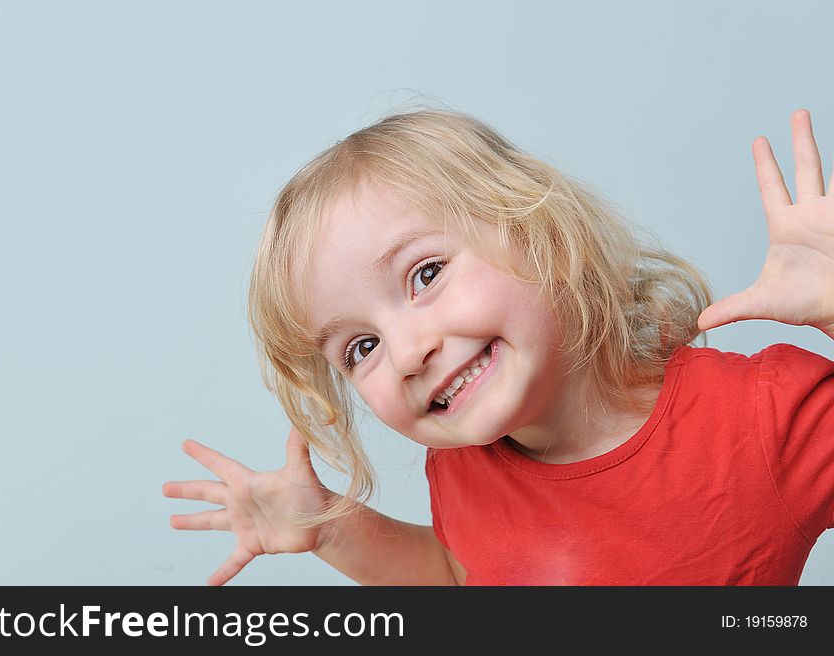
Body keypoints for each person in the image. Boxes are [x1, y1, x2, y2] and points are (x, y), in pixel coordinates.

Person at [162, 107, 834, 585]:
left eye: (425, 274)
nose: (405, 355)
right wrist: (332, 529)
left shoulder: (763, 415)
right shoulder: (459, 466)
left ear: (538, 230)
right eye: (360, 347)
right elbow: (465, 583)